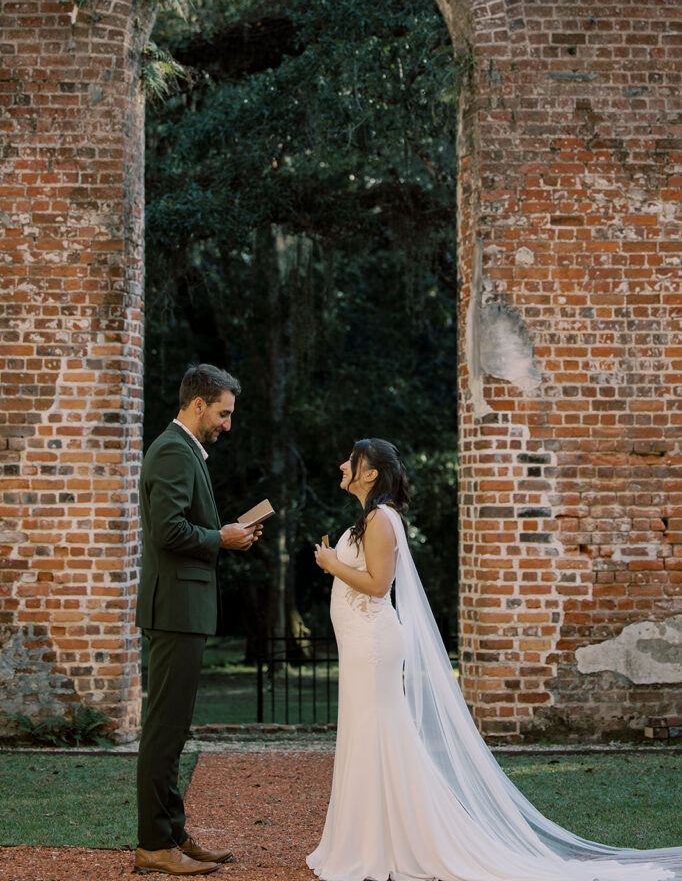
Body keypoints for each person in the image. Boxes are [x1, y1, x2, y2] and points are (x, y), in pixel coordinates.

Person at [308, 438, 682, 881]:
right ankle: (372, 839)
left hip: (373, 645)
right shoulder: (370, 517)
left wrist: (332, 564)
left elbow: (376, 584)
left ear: (369, 473)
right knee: (367, 732)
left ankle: (387, 842)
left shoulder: (382, 520)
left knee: (380, 733)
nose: (341, 465)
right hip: (360, 645)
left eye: (351, 461)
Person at [134, 364, 262, 877]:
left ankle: (173, 834)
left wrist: (227, 533)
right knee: (163, 731)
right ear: (198, 404)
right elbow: (168, 531)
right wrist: (221, 539)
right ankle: (153, 844)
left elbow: (184, 525)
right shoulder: (171, 450)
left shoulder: (185, 450)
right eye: (224, 413)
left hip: (184, 609)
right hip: (174, 611)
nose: (227, 424)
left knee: (174, 727)